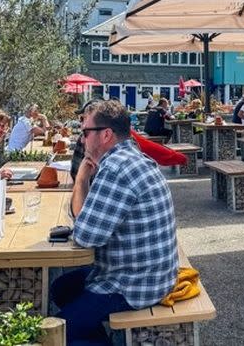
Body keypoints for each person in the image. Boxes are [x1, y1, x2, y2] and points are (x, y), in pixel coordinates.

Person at [52, 101, 178, 345]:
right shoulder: (129, 157)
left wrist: (80, 182)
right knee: (61, 288)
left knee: (62, 331)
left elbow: (86, 236)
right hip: (153, 272)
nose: (81, 140)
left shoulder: (115, 168)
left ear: (106, 134)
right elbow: (90, 222)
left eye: (85, 132)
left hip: (137, 284)